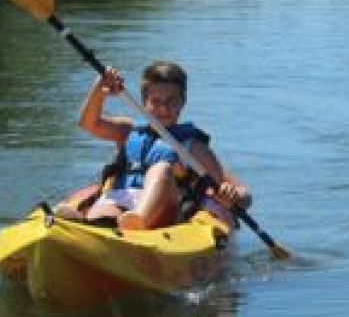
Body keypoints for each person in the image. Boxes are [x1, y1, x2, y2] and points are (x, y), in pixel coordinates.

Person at [73, 60, 251, 230]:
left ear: (183, 101)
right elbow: (88, 124)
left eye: (171, 101)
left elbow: (237, 192)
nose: (164, 109)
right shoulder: (127, 131)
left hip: (165, 212)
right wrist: (99, 90)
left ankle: (138, 221)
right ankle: (87, 225)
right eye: (156, 101)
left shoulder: (194, 147)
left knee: (161, 169)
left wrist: (233, 196)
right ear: (144, 102)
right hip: (121, 200)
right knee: (103, 215)